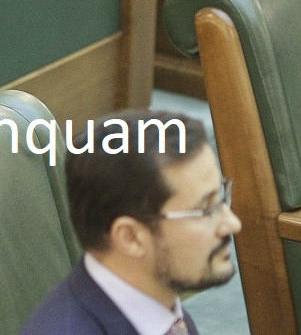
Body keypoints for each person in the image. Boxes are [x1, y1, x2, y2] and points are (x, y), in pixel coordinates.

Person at [22, 110, 238, 334]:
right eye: (204, 210)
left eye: (221, 198)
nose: (232, 224)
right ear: (131, 237)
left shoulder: (162, 309)